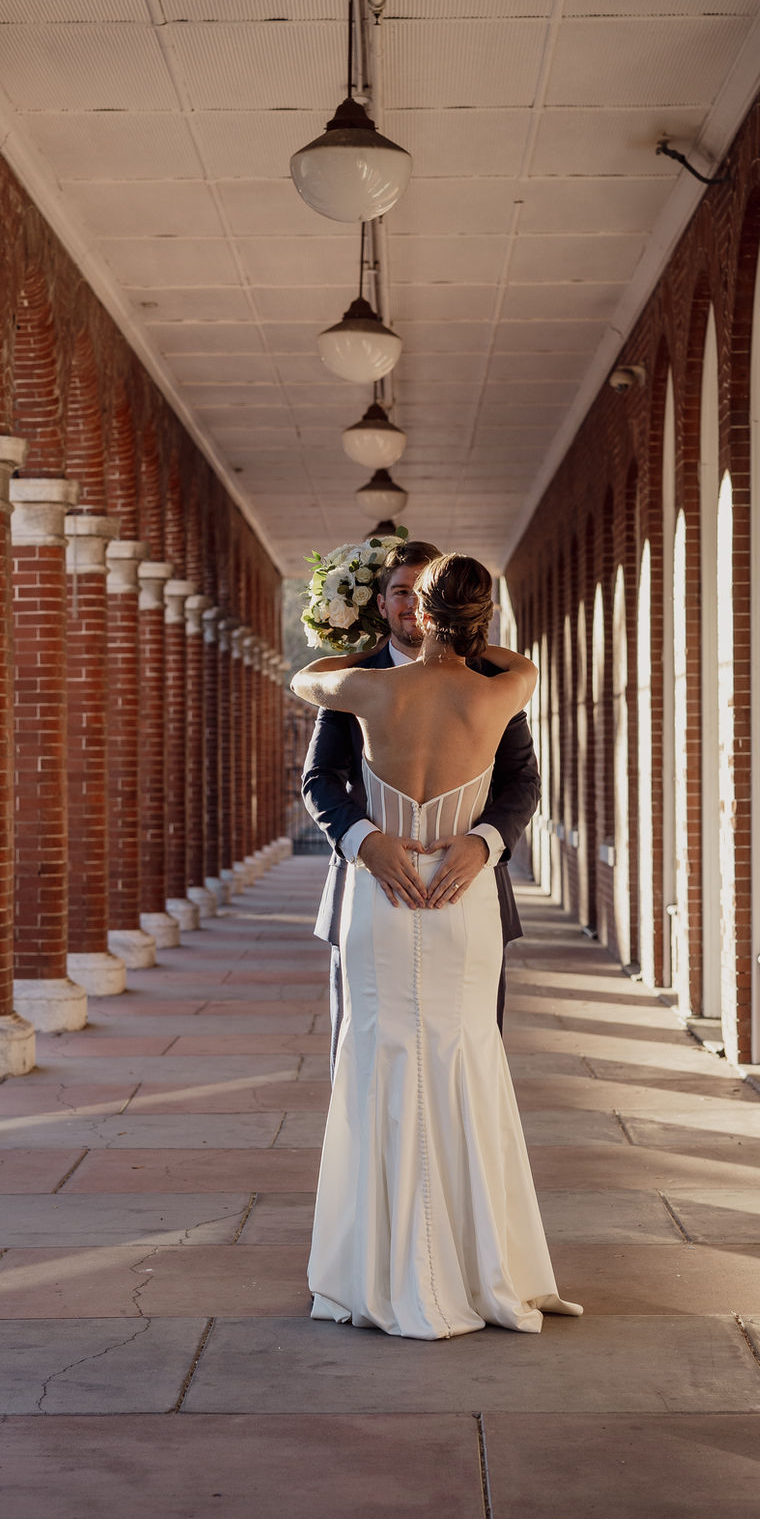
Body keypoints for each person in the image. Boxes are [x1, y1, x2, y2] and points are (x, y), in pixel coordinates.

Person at [290, 552, 581, 1339]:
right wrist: (464, 636)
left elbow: (304, 678)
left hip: (384, 908)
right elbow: (516, 664)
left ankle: (376, 1270)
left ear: (415, 606)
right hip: (460, 906)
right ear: (484, 618)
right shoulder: (505, 686)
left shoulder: (368, 690)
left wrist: (355, 642)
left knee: (376, 1062)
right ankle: (483, 1267)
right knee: (467, 1063)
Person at [302, 539, 539, 1077]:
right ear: (380, 604)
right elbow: (319, 778)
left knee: (467, 1054)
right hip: (369, 883)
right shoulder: (365, 682)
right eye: (398, 591)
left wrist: (485, 843)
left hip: (469, 886)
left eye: (418, 590)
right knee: (364, 1052)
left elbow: (522, 780)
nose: (409, 604)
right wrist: (365, 841)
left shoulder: (355, 684)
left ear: (430, 605)